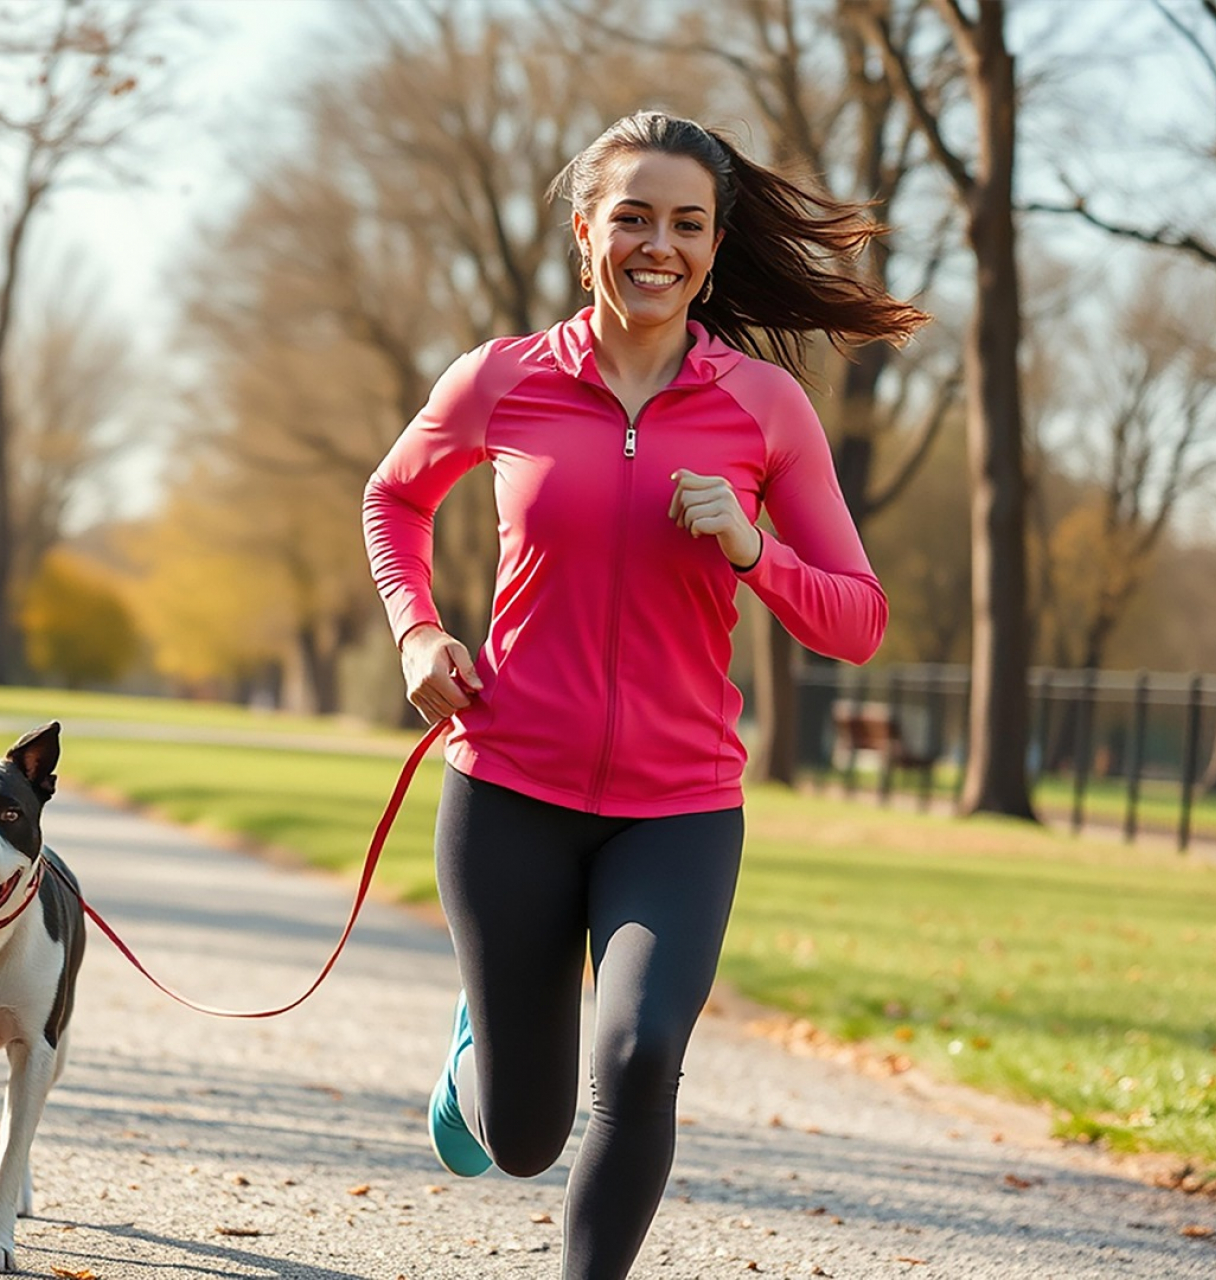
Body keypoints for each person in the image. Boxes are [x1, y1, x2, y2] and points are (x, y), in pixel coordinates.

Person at [360, 110, 928, 1280]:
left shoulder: (764, 409)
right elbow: (394, 498)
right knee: (523, 1135)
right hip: (509, 785)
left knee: (637, 1052)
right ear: (586, 233)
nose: (656, 244)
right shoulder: (504, 379)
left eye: (686, 223)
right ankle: (483, 1054)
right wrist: (417, 630)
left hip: (677, 808)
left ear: (715, 249)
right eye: (632, 217)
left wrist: (752, 548)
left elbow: (858, 619)